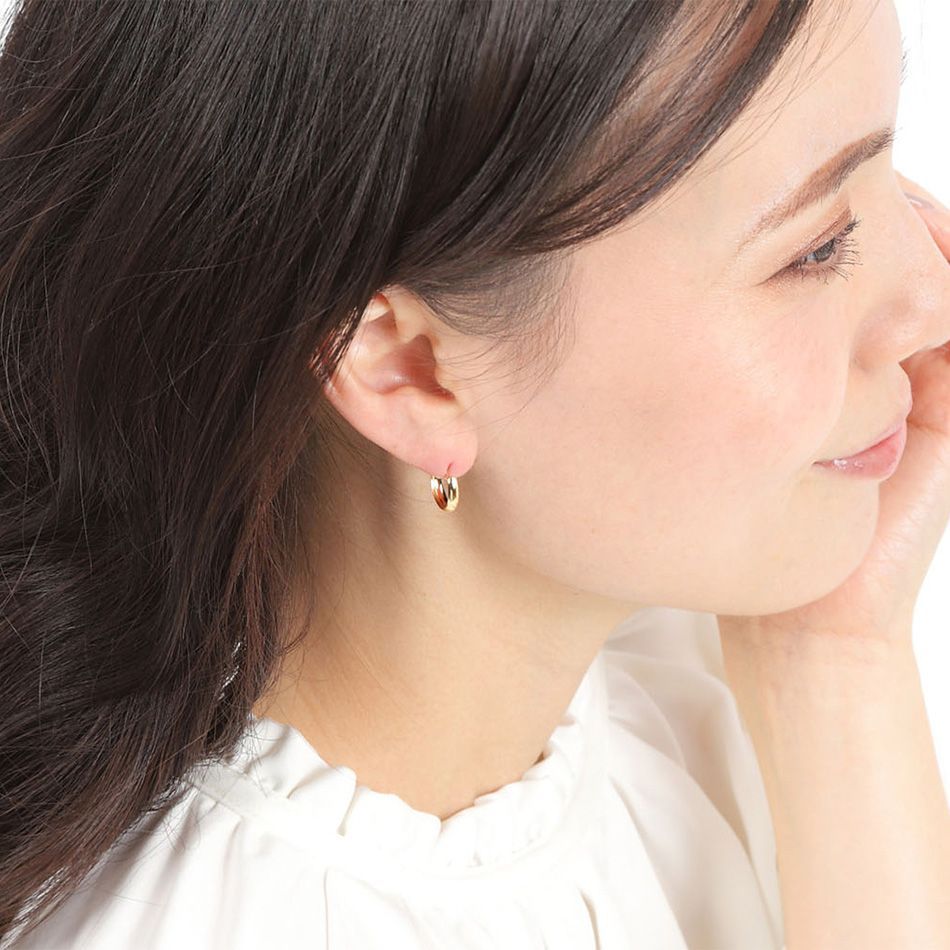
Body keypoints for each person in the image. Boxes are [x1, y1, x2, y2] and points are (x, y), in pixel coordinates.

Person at [1, 0, 948, 946]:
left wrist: (835, 660)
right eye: (817, 248)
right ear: (408, 370)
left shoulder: (695, 699)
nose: (933, 297)